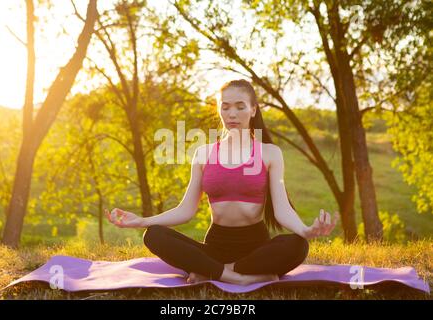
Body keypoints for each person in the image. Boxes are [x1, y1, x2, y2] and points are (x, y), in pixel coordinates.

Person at [106, 79, 338, 286]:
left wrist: (305, 230)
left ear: (253, 110)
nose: (232, 114)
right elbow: (186, 210)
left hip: (256, 248)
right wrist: (141, 221)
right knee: (153, 234)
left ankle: (212, 273)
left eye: (240, 106)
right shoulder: (203, 153)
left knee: (299, 245)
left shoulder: (270, 153)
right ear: (219, 110)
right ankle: (241, 277)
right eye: (225, 107)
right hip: (215, 248)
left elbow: (282, 209)